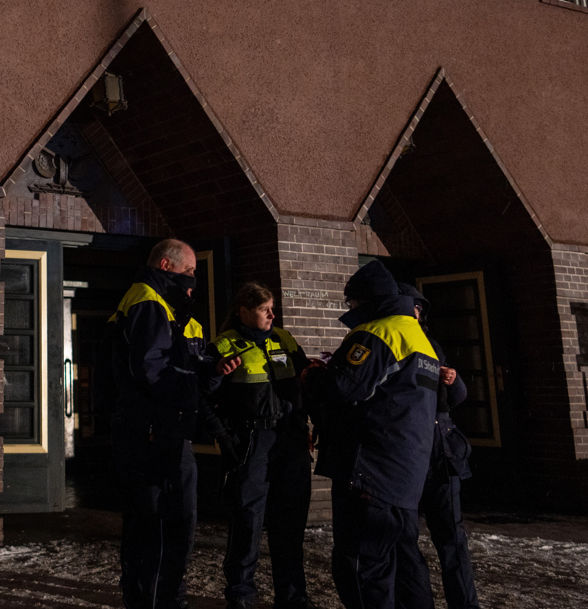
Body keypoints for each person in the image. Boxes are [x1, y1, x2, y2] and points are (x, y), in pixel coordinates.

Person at [304, 261, 440, 609]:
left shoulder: (376, 332)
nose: (350, 312)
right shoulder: (419, 339)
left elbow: (343, 388)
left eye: (351, 304)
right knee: (406, 566)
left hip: (369, 474)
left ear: (364, 301)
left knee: (362, 568)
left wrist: (312, 376)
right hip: (404, 476)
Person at [202, 282, 318, 609]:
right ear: (243, 311)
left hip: (289, 440)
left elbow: (304, 383)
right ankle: (241, 597)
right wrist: (226, 440)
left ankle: (294, 598)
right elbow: (203, 397)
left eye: (272, 308)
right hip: (253, 442)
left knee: (290, 524)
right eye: (264, 309)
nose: (272, 314)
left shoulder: (284, 338)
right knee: (247, 523)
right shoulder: (223, 345)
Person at [106, 238, 207, 609]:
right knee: (166, 525)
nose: (193, 278)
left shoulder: (154, 303)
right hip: (155, 433)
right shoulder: (150, 303)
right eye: (189, 271)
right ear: (167, 266)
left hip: (153, 430)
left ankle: (150, 598)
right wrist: (193, 387)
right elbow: (153, 372)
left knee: (151, 527)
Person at [395, 283, 480, 609]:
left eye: (417, 310)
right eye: (410, 308)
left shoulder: (431, 345)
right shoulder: (391, 341)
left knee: (451, 537)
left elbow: (455, 398)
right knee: (405, 536)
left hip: (441, 447)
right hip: (409, 448)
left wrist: (454, 380)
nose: (414, 314)